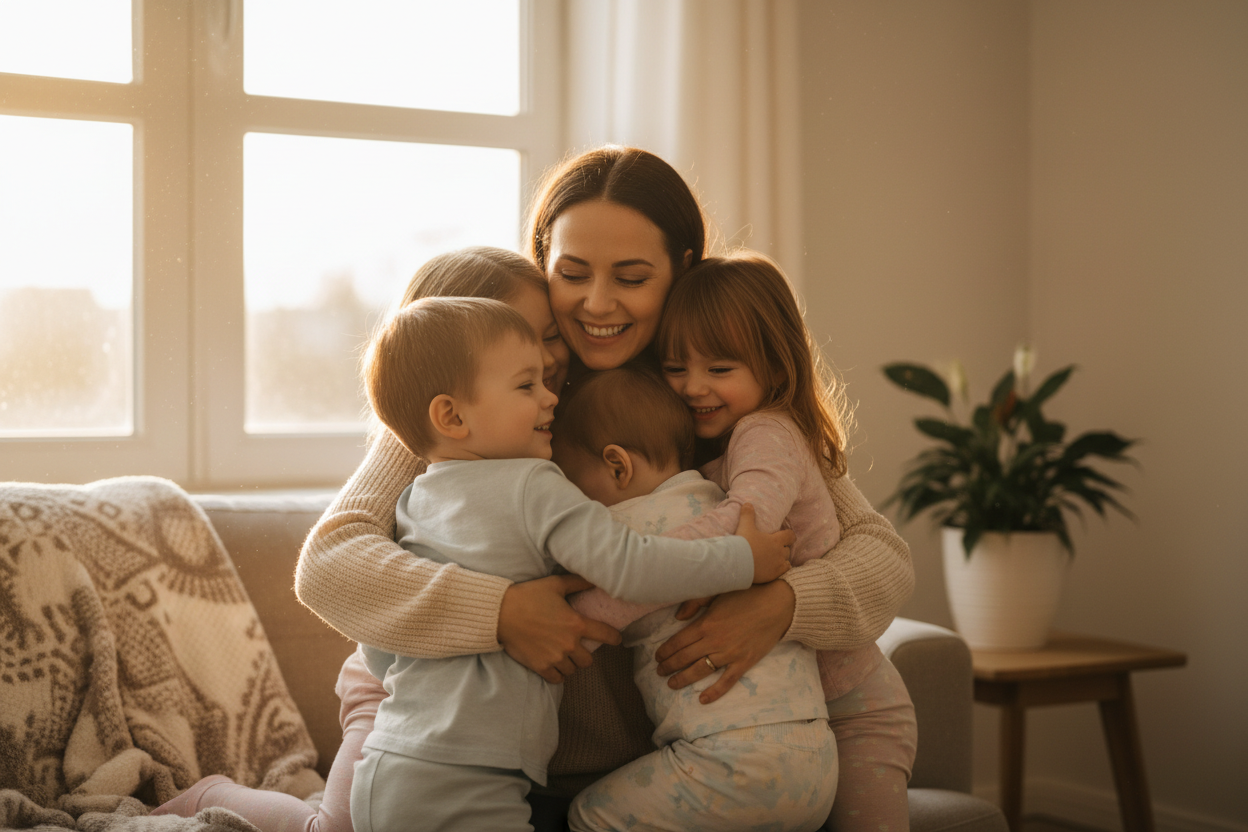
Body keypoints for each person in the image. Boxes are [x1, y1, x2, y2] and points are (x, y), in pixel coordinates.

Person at [293, 146, 914, 829]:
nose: (597, 303)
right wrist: (501, 611)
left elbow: (880, 560)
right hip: (450, 732)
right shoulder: (490, 402)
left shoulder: (706, 391)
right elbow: (330, 564)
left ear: (679, 271)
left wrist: (780, 605)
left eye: (632, 277)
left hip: (661, 760)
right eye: (572, 274)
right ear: (543, 265)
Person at [153, 247, 580, 831]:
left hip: (486, 716)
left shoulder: (555, 413)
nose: (545, 358)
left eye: (551, 336)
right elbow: (327, 563)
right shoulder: (430, 436)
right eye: (522, 340)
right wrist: (501, 611)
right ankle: (214, 796)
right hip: (397, 685)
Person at [348, 296, 792, 832]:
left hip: (389, 760)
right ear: (451, 415)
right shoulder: (534, 484)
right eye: (526, 386)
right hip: (473, 773)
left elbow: (380, 645)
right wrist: (742, 559)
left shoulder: (413, 501)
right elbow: (632, 568)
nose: (549, 398)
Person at [650, 251, 918, 832]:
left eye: (719, 370)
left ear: (774, 368)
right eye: (675, 368)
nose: (694, 388)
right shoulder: (687, 439)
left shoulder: (766, 436)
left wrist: (604, 588)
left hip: (854, 709)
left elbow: (882, 554)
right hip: (768, 725)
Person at [551, 365, 838, 832]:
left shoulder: (617, 533)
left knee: (589, 816)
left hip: (728, 762)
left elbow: (590, 613)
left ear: (617, 465)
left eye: (572, 487)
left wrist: (548, 636)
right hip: (817, 761)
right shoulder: (725, 496)